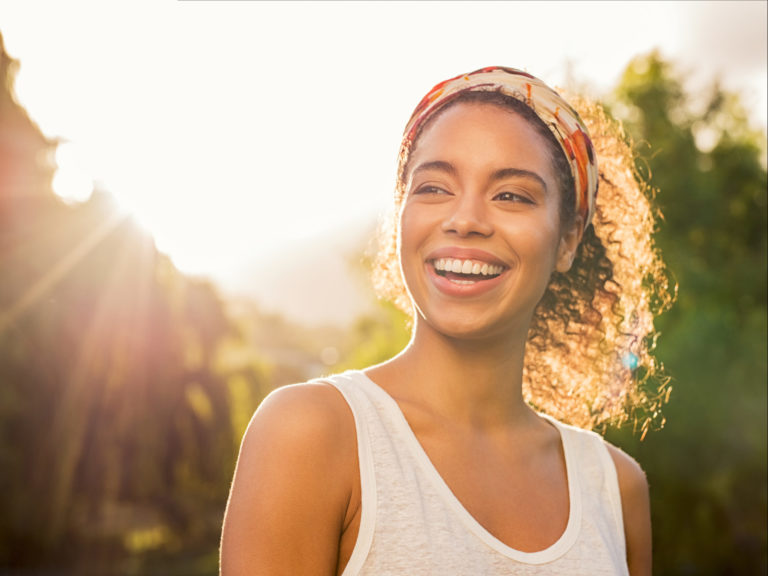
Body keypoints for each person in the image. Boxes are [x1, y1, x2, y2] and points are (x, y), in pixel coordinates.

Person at [220, 66, 671, 576]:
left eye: (511, 195)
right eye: (434, 188)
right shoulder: (311, 434)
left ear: (567, 239)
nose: (465, 219)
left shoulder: (615, 487)